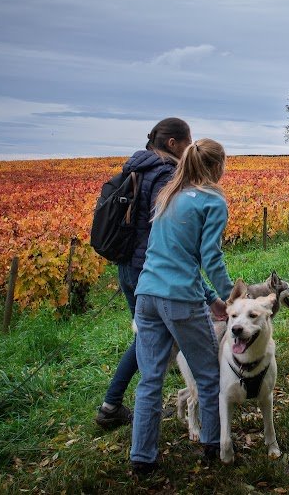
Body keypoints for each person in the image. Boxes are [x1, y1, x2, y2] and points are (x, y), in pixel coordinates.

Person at [130, 138, 233, 478]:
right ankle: (213, 445)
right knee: (208, 376)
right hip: (181, 301)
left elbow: (172, 257)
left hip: (147, 296)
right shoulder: (212, 201)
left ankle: (142, 458)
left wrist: (211, 299)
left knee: (150, 380)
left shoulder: (168, 196)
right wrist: (231, 296)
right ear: (217, 167)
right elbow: (210, 258)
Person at [95, 117, 192, 428]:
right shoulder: (166, 173)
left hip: (127, 265)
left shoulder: (135, 168)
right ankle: (122, 409)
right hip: (151, 269)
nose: (190, 148)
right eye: (188, 142)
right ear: (173, 144)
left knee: (146, 337)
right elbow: (166, 224)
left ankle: (112, 405)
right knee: (153, 340)